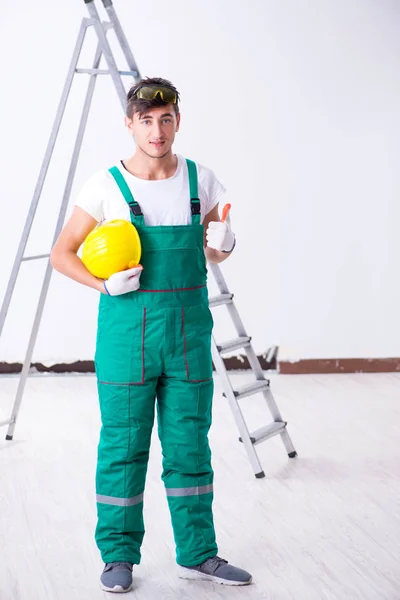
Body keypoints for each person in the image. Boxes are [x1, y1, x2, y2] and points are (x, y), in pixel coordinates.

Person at [50, 77, 252, 592]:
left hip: (186, 336)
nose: (157, 130)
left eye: (165, 119)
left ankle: (199, 554)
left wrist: (226, 244)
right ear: (130, 124)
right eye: (146, 120)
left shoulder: (200, 181)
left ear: (177, 120)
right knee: (123, 446)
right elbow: (61, 253)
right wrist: (103, 285)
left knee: (190, 446)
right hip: (125, 335)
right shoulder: (106, 185)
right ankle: (118, 556)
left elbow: (212, 250)